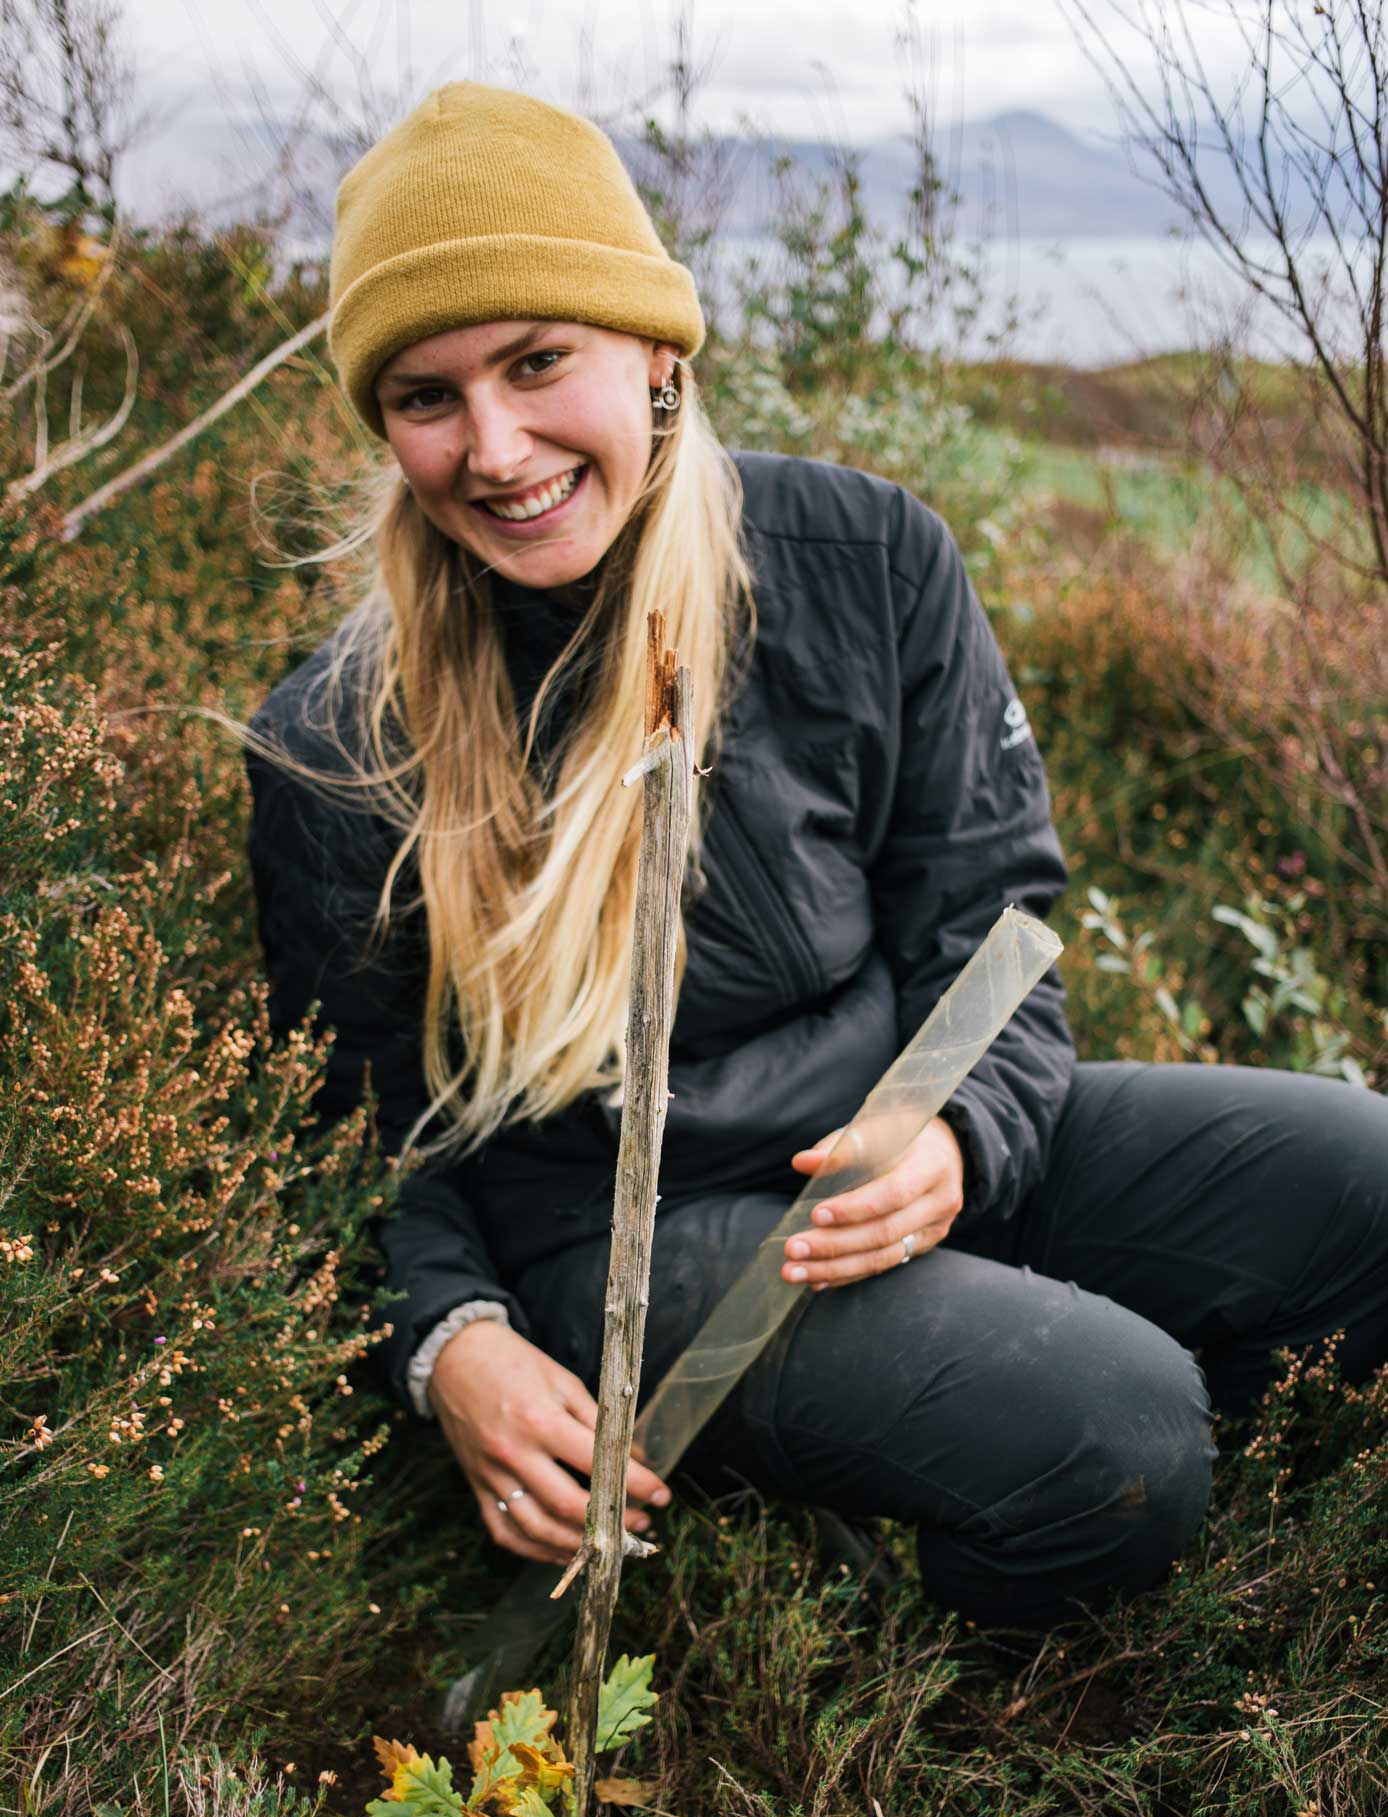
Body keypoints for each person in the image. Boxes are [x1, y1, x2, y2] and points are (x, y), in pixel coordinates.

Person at [243, 81, 1388, 1631]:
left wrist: (960, 1137)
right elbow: (357, 1136)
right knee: (1114, 1432)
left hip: (890, 1152)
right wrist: (450, 1340)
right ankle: (878, 1647)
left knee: (1363, 1180)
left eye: (536, 362)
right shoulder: (336, 738)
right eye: (426, 397)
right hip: (621, 1238)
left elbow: (996, 927)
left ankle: (1132, 1514)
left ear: (657, 351)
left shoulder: (868, 559)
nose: (495, 449)